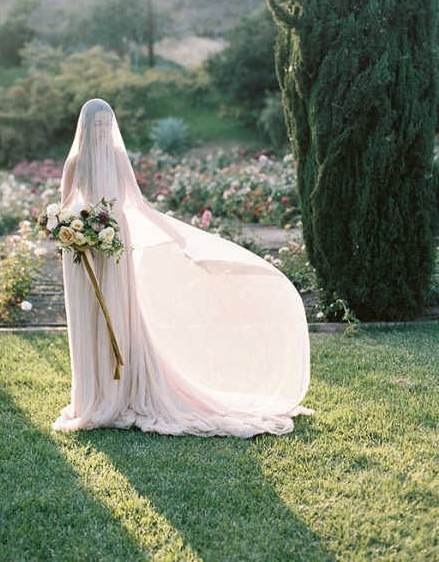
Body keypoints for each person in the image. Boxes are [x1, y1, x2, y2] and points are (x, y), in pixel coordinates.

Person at [52, 98, 311, 437]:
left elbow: (137, 202)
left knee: (118, 312)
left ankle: (122, 388)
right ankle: (94, 394)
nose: (101, 131)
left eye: (105, 125)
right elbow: (64, 204)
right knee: (91, 315)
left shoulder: (116, 157)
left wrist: (174, 234)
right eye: (96, 126)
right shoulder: (76, 161)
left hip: (114, 238)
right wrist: (63, 228)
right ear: (85, 128)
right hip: (85, 244)